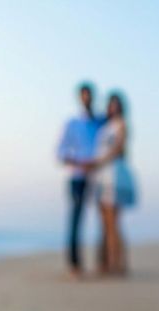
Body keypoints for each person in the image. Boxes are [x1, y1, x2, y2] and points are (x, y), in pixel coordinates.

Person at [85, 92, 137, 276]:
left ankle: (118, 265)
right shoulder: (105, 126)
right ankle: (109, 263)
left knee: (112, 222)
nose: (113, 107)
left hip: (113, 175)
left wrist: (98, 162)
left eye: (116, 104)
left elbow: (118, 148)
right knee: (105, 223)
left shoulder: (120, 124)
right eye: (110, 104)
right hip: (101, 176)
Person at [56, 83, 104, 279]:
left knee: (105, 219)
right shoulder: (72, 124)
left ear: (93, 97)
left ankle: (104, 262)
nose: (86, 99)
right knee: (76, 220)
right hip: (77, 178)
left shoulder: (101, 122)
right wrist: (80, 163)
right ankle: (74, 264)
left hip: (101, 178)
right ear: (79, 98)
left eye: (89, 95)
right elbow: (60, 153)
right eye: (83, 96)